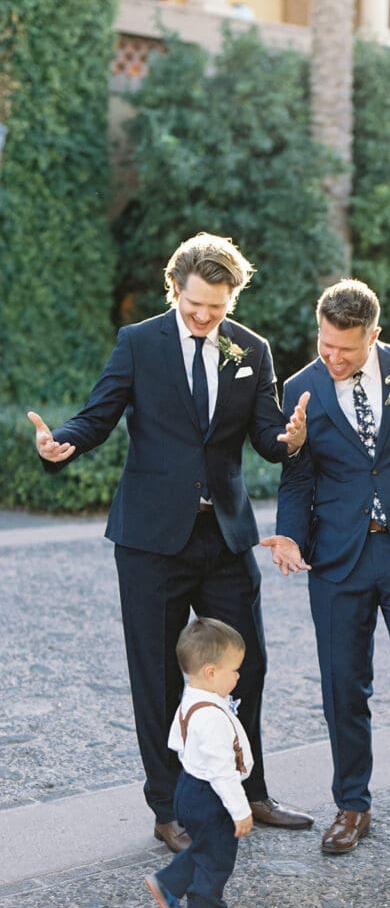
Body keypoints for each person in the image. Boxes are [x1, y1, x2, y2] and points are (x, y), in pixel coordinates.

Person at [29, 232, 313, 852]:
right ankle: (169, 808)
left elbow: (266, 438)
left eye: (217, 305)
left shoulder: (253, 350)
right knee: (157, 674)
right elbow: (98, 413)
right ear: (175, 289)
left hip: (226, 536)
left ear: (233, 297)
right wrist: (63, 444)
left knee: (248, 666)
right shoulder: (139, 343)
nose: (205, 317)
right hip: (151, 541)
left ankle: (251, 789)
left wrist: (289, 438)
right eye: (194, 305)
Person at [261, 279, 390, 874]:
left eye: (345, 349)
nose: (334, 359)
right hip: (338, 561)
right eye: (325, 345)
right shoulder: (300, 387)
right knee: (343, 688)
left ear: (373, 334)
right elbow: (297, 478)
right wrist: (292, 535)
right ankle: (353, 806)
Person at [144, 617, 253, 908]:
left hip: (189, 788)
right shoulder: (210, 716)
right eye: (234, 669)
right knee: (217, 858)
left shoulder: (191, 699)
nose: (237, 675)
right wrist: (240, 810)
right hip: (211, 795)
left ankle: (169, 883)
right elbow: (222, 772)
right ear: (211, 672)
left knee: (204, 847)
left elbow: (176, 741)